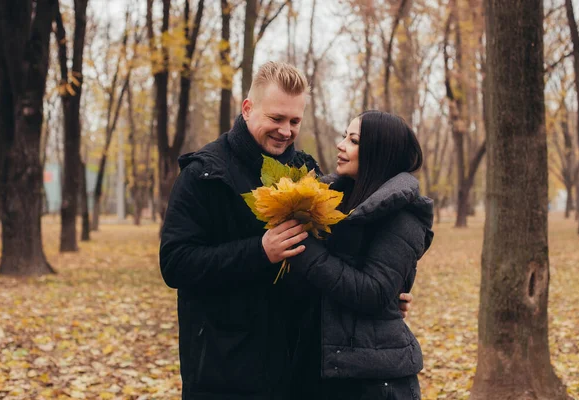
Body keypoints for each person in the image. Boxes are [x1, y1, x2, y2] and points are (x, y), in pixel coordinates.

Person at [159, 62, 413, 400]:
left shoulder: (307, 172)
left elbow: (331, 260)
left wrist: (381, 298)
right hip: (225, 367)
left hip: (298, 367)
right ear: (248, 109)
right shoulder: (205, 174)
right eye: (276, 119)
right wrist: (259, 251)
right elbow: (175, 263)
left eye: (294, 121)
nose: (285, 131)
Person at [286, 111, 434, 400]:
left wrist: (302, 247)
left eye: (353, 140)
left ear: (379, 153)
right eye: (345, 136)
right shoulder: (334, 203)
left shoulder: (404, 216)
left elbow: (374, 292)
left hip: (372, 381)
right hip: (323, 370)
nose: (341, 145)